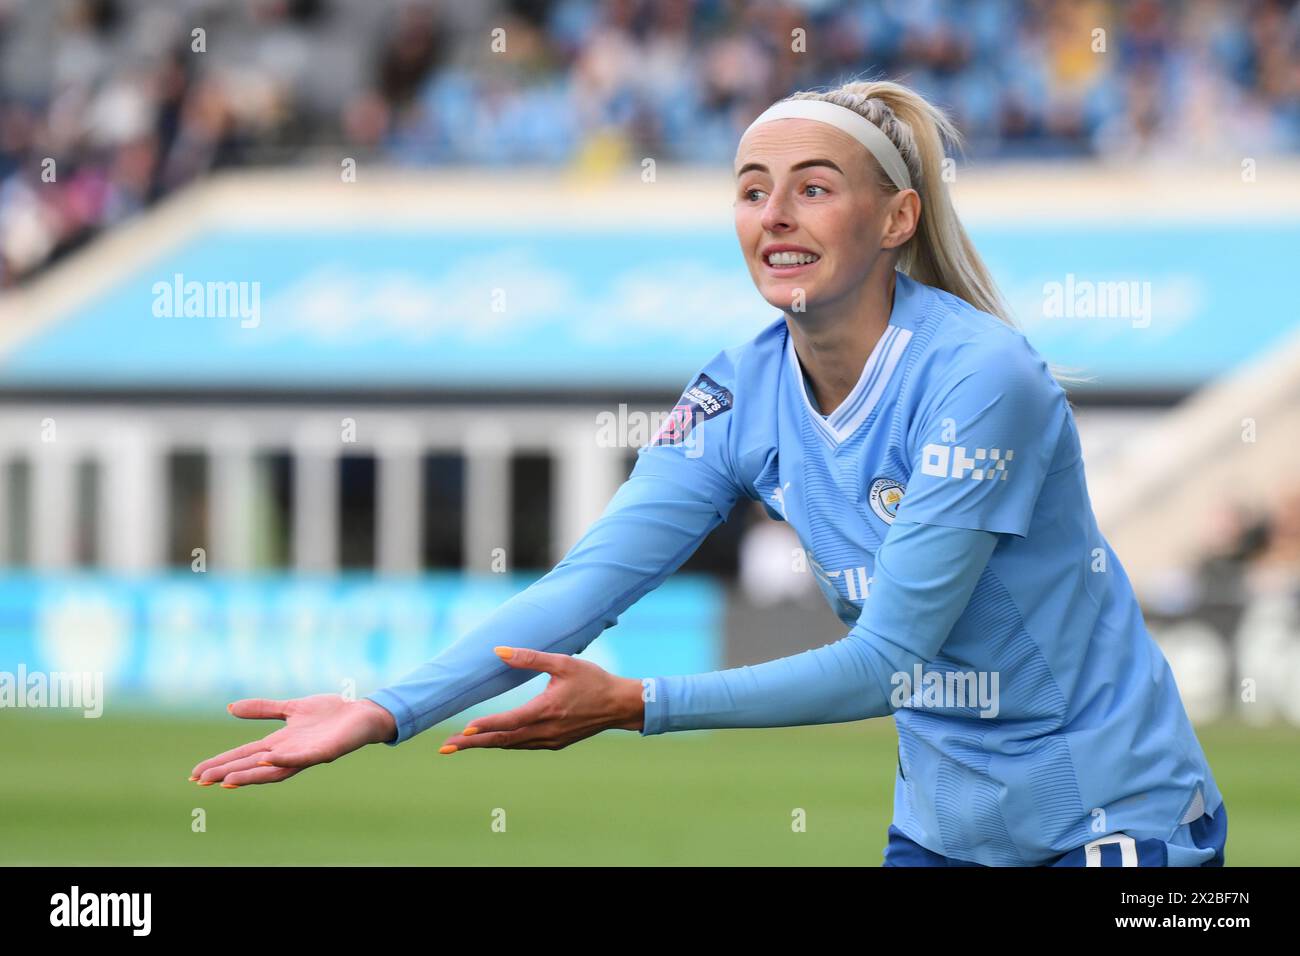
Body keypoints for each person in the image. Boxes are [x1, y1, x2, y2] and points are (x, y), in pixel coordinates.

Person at [188, 79, 1226, 868]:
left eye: (813, 189)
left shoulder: (978, 377)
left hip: (1109, 818)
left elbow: (885, 661)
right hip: (942, 830)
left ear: (896, 218)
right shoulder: (736, 392)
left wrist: (639, 702)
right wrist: (383, 710)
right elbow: (585, 587)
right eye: (750, 190)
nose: (774, 214)